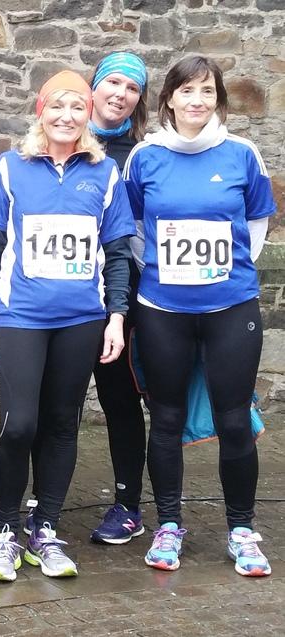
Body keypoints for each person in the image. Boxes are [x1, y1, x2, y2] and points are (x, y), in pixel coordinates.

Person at [0, 70, 134, 582]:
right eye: (56, 107)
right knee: (19, 423)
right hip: (21, 314)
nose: (67, 117)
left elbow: (117, 254)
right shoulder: (9, 168)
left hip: (82, 319)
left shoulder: (105, 172)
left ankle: (45, 528)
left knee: (63, 425)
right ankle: (5, 531)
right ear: (39, 111)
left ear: (89, 116)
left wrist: (117, 316)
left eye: (77, 108)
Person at [123, 55, 276, 576]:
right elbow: (134, 225)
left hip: (231, 306)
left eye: (207, 91)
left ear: (218, 100)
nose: (197, 100)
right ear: (168, 99)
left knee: (234, 419)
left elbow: (257, 219)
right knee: (164, 419)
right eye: (187, 91)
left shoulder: (241, 154)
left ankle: (241, 529)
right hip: (163, 308)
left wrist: (227, 271)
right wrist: (164, 272)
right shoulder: (144, 157)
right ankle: (168, 524)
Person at [28, 52, 151, 545]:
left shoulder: (142, 154)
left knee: (120, 399)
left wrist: (122, 304)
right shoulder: (52, 139)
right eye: (112, 82)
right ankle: (42, 503)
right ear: (91, 89)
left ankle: (127, 503)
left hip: (120, 299)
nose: (120, 94)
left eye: (132, 88)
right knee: (56, 404)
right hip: (59, 302)